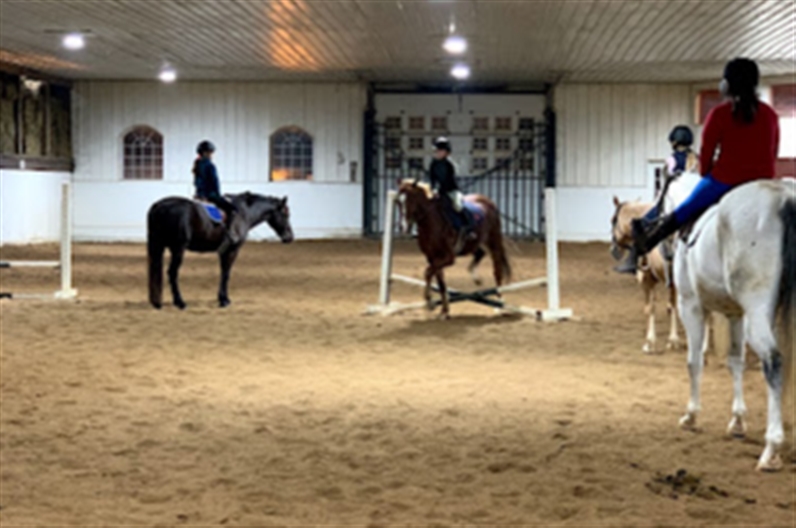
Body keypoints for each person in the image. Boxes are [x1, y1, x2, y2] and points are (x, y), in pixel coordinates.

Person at [629, 58, 780, 270]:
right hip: (763, 183)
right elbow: (773, 151)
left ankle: (644, 245)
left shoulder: (719, 114)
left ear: (726, 85)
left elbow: (707, 152)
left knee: (686, 208)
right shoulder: (770, 114)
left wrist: (707, 173)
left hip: (726, 179)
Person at [614, 125, 698, 274]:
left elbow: (666, 185)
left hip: (674, 203)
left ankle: (632, 261)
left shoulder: (671, 160)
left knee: (638, 225)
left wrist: (657, 201)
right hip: (697, 202)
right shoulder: (697, 159)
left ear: (673, 142)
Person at [429, 136, 476, 251]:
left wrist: (440, 190)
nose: (437, 153)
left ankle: (469, 228)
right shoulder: (433, 164)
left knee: (458, 206)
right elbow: (432, 178)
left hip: (451, 190)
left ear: (446, 152)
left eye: (440, 150)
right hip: (438, 191)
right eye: (436, 150)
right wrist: (433, 189)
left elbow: (448, 180)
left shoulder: (450, 164)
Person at [193, 140, 240, 247]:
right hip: (211, 195)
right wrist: (217, 196)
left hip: (199, 195)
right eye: (210, 153)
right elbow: (214, 182)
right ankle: (230, 233)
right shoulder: (210, 165)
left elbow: (196, 183)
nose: (211, 155)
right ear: (206, 153)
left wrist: (200, 194)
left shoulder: (197, 165)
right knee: (232, 210)